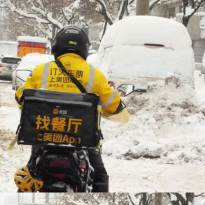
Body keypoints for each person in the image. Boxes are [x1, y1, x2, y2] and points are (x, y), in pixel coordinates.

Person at [15, 26, 128, 192]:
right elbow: (113, 106)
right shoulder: (95, 75)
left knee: (29, 179)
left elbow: (21, 97)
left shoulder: (41, 71)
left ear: (57, 46)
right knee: (100, 177)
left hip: (44, 139)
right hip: (82, 142)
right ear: (84, 48)